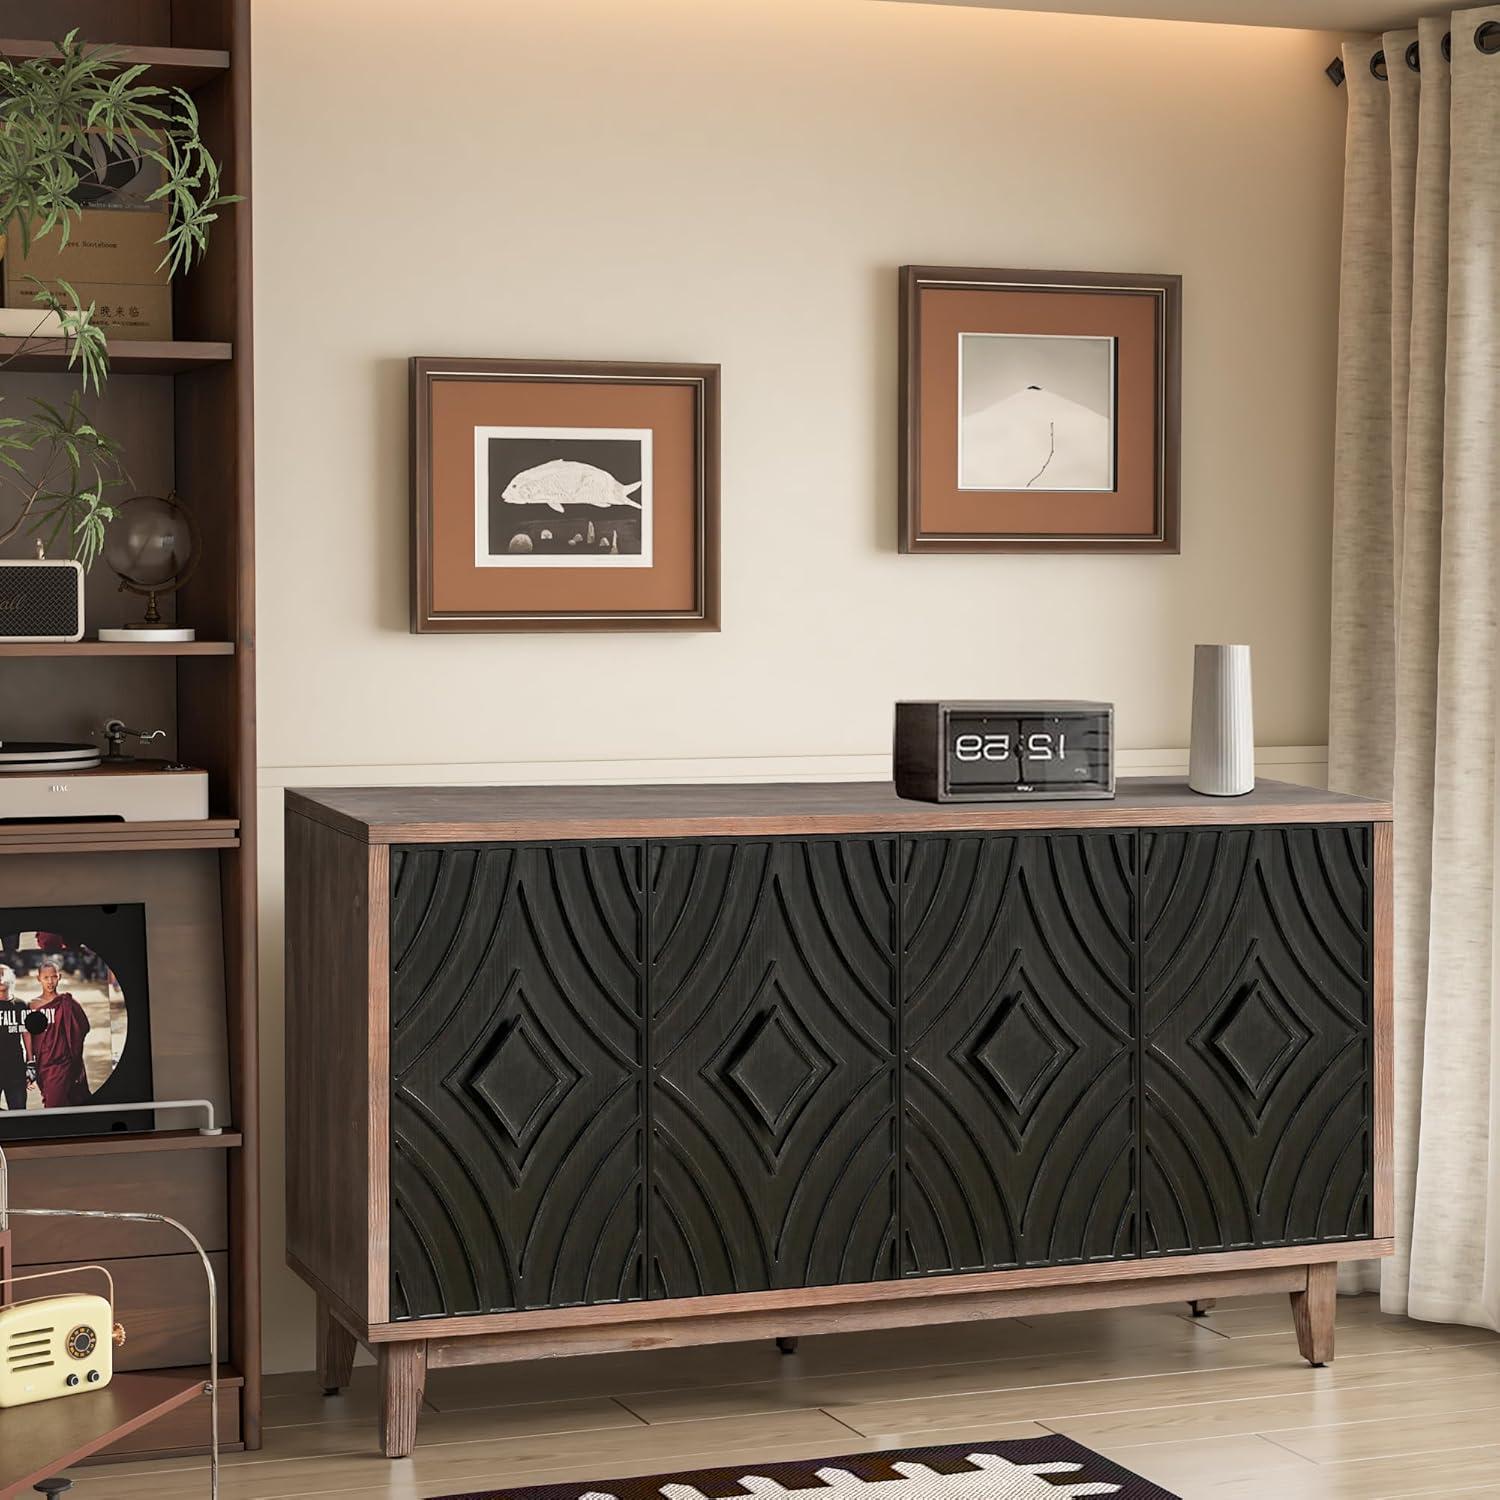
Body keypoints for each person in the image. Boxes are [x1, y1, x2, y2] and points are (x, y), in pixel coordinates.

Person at [28, 960, 91, 1108]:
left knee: (55, 1104)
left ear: (59, 977)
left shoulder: (67, 1002)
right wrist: (30, 1063)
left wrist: (75, 1059)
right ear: (39, 979)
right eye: (46, 978)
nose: (50, 981)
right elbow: (29, 1035)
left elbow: (83, 1027)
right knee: (53, 1099)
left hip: (64, 1061)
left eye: (54, 977)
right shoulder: (32, 1005)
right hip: (43, 1063)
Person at [0, 964, 28, 1110]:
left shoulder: (21, 1005)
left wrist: (30, 1063)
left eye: (4, 974)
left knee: (19, 1112)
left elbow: (26, 1034)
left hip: (16, 1069)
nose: (1, 978)